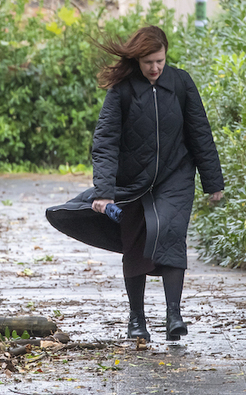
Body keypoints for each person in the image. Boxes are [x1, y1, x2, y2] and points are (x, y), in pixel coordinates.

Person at [46, 25, 224, 341]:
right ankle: (137, 319)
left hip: (175, 176)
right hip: (131, 181)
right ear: (137, 60)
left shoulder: (180, 83)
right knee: (136, 243)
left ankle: (173, 315)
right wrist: (104, 192)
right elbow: (105, 142)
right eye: (148, 62)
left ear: (166, 55)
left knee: (171, 235)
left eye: (159, 61)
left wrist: (213, 182)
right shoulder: (123, 90)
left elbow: (200, 133)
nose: (155, 68)